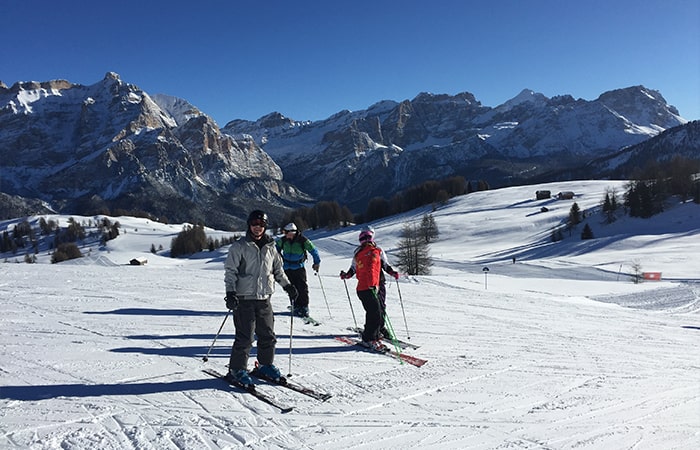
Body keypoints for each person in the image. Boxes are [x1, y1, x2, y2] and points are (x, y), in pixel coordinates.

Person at [224, 210, 298, 386]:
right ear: (249, 225)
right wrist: (230, 293)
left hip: (264, 298)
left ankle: (265, 365)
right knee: (245, 337)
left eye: (262, 225)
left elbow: (278, 271)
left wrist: (287, 286)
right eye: (255, 224)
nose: (258, 228)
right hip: (244, 298)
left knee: (268, 335)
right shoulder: (239, 246)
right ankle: (237, 369)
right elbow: (230, 272)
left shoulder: (271, 247)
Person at [340, 227, 399, 349]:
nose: (366, 240)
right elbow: (353, 269)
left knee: (378, 309)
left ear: (372, 238)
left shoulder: (378, 251)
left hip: (378, 283)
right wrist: (346, 275)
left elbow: (385, 265)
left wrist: (392, 272)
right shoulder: (358, 254)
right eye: (363, 238)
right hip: (366, 287)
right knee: (375, 312)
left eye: (368, 238)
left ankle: (376, 333)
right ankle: (370, 337)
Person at [275, 222, 321, 318]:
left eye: (286, 232)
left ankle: (304, 307)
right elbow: (276, 249)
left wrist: (316, 262)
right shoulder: (283, 240)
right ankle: (295, 305)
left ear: (292, 232)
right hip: (287, 268)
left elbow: (313, 250)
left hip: (299, 267)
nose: (285, 234)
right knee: (291, 287)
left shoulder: (303, 240)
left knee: (302, 287)